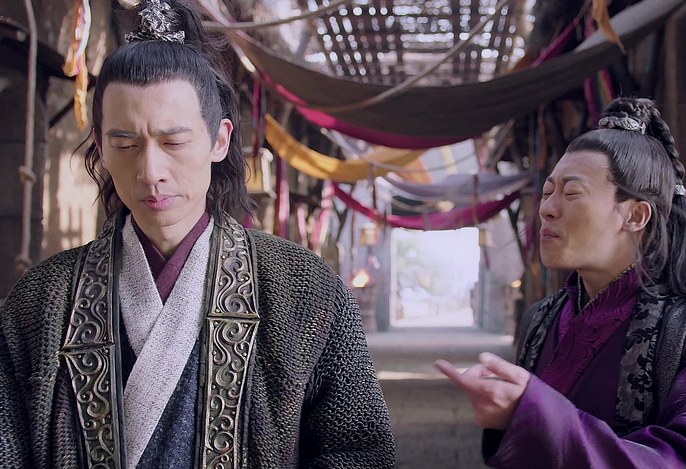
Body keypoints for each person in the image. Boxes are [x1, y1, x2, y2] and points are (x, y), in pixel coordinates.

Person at [0, 0, 396, 467]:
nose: (150, 171)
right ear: (101, 149)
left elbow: (361, 451)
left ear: (219, 140)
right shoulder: (41, 300)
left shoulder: (305, 289)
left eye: (173, 142)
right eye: (125, 144)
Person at [435, 97, 686, 468]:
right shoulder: (542, 319)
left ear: (635, 215)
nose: (547, 208)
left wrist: (535, 413)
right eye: (548, 192)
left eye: (571, 193)